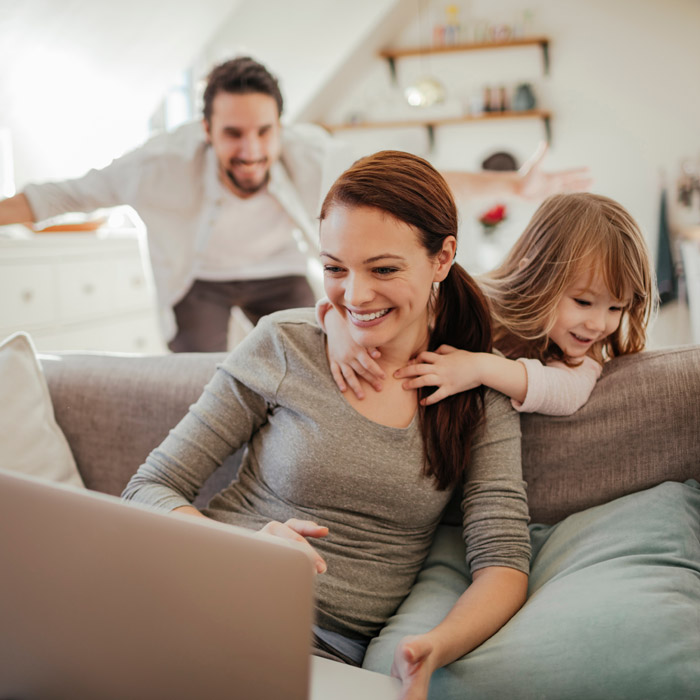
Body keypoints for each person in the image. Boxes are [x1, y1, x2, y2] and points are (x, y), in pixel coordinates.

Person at [121, 150, 531, 699]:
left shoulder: (476, 391)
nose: (355, 297)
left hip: (319, 648)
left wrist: (437, 644)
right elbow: (147, 488)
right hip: (200, 592)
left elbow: (503, 562)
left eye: (383, 269)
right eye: (335, 268)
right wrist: (242, 547)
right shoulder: (286, 344)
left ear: (442, 258)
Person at [0, 56, 591, 353]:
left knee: (321, 354)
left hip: (279, 269)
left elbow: (411, 174)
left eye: (264, 131)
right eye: (233, 134)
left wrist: (513, 187)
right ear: (207, 129)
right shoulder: (155, 168)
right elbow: (59, 196)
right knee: (197, 375)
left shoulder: (312, 155)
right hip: (198, 279)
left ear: (281, 126)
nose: (251, 150)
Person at [318, 192, 655, 416]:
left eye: (616, 308)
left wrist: (479, 368)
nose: (599, 324)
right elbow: (361, 301)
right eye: (583, 302)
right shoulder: (473, 298)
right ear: (534, 277)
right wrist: (339, 328)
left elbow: (568, 392)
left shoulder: (583, 353)